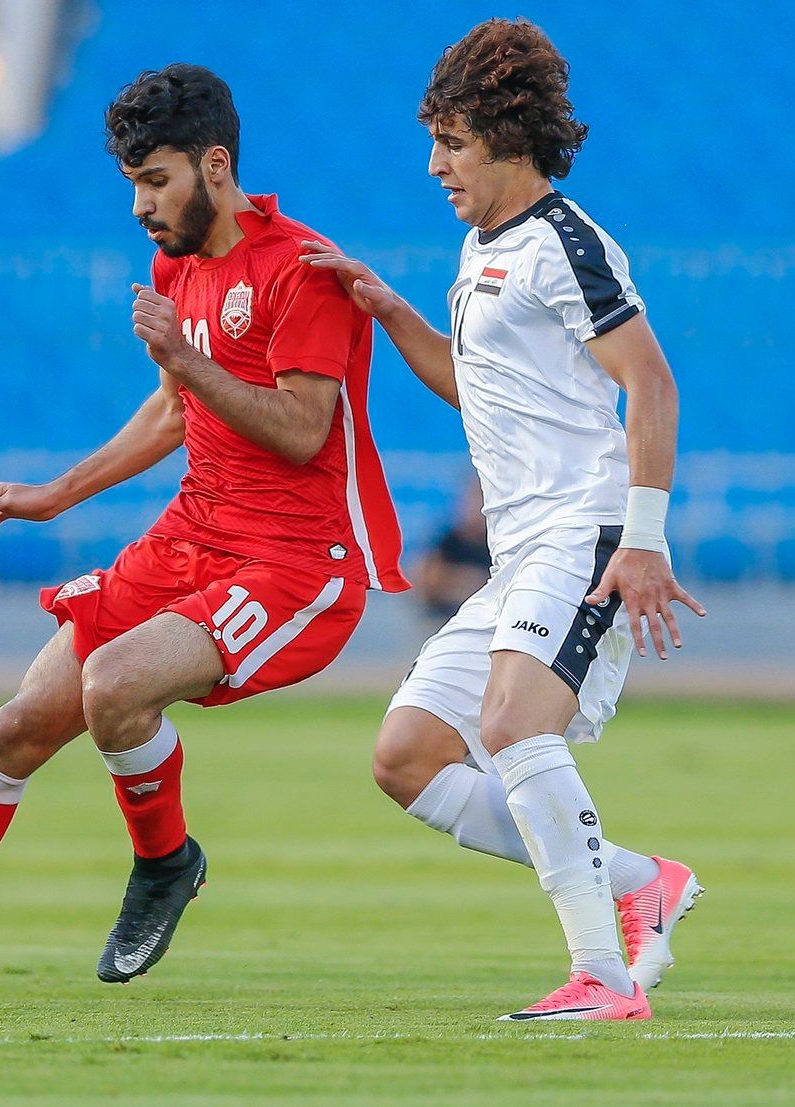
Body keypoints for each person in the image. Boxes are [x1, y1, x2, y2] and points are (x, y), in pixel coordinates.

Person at [0, 63, 408, 1003]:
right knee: (20, 724)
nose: (143, 208)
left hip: (294, 564)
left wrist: (186, 357)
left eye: (157, 182)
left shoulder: (300, 271)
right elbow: (172, 413)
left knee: (115, 687)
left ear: (216, 165)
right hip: (193, 534)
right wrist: (52, 494)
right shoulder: (177, 266)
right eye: (133, 188)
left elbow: (301, 429)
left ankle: (166, 861)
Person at [301, 18, 706, 1021]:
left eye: (453, 144)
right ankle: (639, 884)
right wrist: (395, 317)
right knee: (406, 758)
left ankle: (602, 980)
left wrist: (645, 537)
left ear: (510, 139)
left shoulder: (568, 245)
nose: (435, 165)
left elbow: (651, 388)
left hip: (586, 531)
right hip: (520, 551)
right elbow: (478, 389)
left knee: (514, 727)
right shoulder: (480, 249)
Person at [416, 480, 489, 620]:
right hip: (442, 619)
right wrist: (467, 581)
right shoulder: (448, 539)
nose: (477, 506)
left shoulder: (501, 543)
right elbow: (424, 580)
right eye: (473, 499)